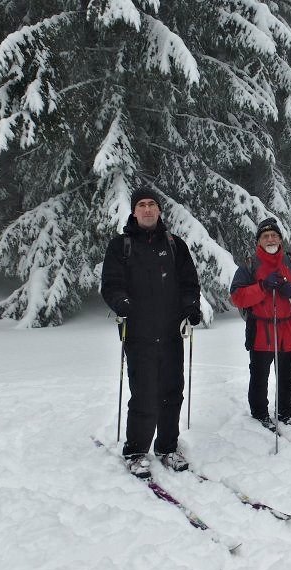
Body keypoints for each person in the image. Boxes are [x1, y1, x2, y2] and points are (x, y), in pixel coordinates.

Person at [101, 186, 202, 479]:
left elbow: (188, 284)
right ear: (134, 211)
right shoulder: (121, 246)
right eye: (142, 205)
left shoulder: (175, 245)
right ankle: (135, 451)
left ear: (159, 210)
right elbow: (111, 283)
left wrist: (191, 307)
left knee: (172, 392)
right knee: (144, 394)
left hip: (171, 334)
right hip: (139, 333)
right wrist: (121, 301)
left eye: (152, 205)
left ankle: (168, 447)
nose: (147, 209)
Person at [230, 217, 291, 431]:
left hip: (288, 328)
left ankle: (284, 413)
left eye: (274, 235)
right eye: (265, 236)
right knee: (259, 376)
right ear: (258, 241)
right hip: (261, 330)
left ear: (280, 239)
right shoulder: (249, 264)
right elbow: (237, 297)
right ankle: (259, 413)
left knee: (287, 376)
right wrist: (263, 287)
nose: (270, 239)